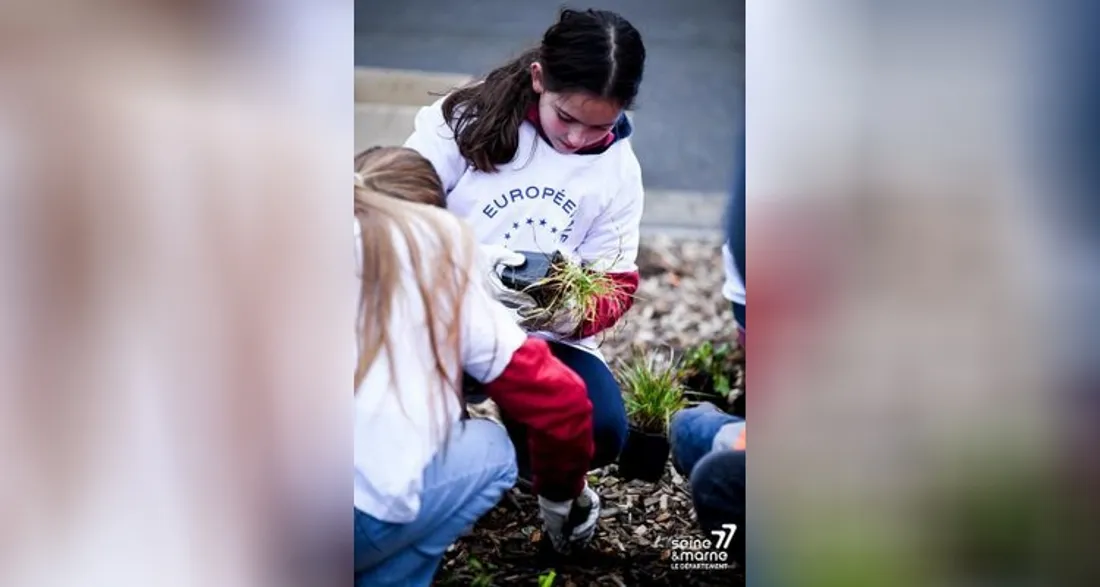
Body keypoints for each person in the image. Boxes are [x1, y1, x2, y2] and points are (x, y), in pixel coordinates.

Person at [403, 7, 647, 511]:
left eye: (598, 127)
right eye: (567, 117)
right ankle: (456, 444)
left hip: (538, 336)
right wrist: (473, 268)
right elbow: (397, 208)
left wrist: (564, 312)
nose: (576, 140)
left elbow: (617, 282)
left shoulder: (619, 172)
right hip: (442, 316)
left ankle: (526, 455)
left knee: (598, 429)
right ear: (539, 79)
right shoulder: (464, 120)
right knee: (413, 434)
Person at [353, 146, 600, 586]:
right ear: (433, 218)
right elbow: (560, 400)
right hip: (348, 520)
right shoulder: (435, 265)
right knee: (493, 448)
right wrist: (559, 495)